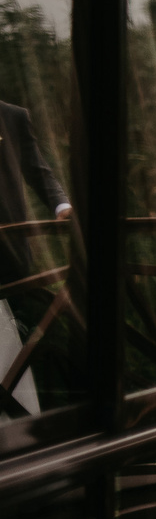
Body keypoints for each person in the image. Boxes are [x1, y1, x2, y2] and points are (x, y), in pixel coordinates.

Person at [0, 99, 71, 418]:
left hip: (6, 258)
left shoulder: (11, 117)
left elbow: (38, 170)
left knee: (12, 352)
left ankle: (20, 429)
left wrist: (62, 205)